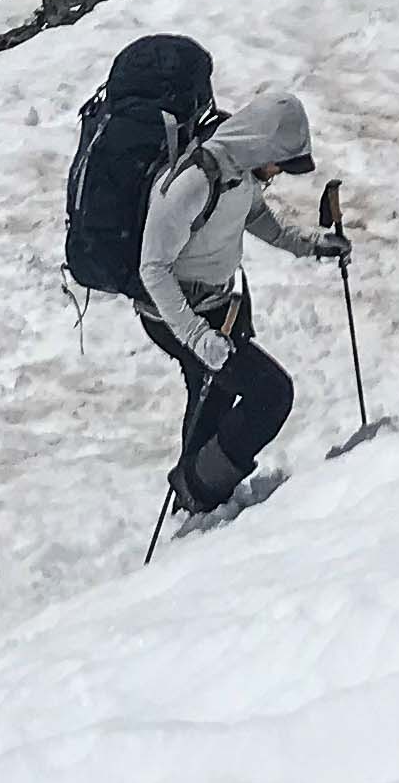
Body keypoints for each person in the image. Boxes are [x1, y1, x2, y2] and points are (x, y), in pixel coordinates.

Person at [136, 89, 343, 519]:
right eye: (277, 163)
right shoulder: (191, 183)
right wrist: (197, 337)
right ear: (260, 145)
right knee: (271, 393)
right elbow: (152, 269)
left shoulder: (241, 176)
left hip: (218, 305)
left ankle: (195, 500)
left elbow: (260, 221)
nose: (275, 174)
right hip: (173, 312)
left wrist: (315, 245)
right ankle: (198, 493)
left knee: (213, 397)